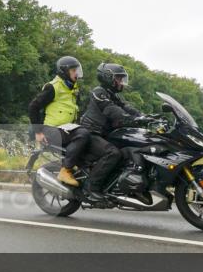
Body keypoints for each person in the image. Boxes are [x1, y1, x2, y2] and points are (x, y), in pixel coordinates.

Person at [80, 63, 152, 195]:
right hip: (92, 133)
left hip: (106, 134)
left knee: (129, 148)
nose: (121, 82)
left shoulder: (114, 94)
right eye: (118, 78)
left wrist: (144, 116)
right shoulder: (99, 92)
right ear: (108, 78)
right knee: (113, 153)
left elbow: (126, 107)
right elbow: (112, 110)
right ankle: (90, 187)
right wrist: (131, 118)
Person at [28, 56, 89, 188]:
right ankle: (65, 170)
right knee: (83, 134)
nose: (76, 73)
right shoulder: (53, 87)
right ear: (64, 72)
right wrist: (38, 132)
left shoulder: (73, 89)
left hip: (66, 129)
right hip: (52, 130)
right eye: (73, 70)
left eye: (77, 70)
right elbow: (33, 107)